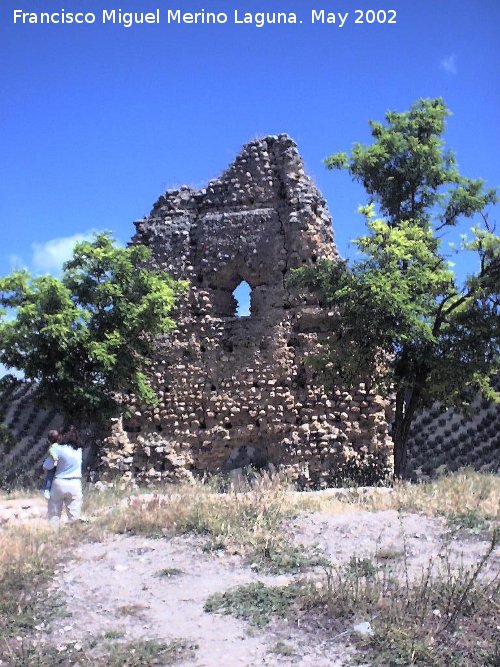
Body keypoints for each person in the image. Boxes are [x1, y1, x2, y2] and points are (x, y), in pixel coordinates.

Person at [43, 425, 83, 523]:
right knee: (74, 516)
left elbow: (47, 466)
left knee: (54, 516)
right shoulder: (79, 450)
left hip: (59, 482)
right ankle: (73, 535)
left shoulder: (58, 449)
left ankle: (54, 536)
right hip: (75, 483)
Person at [43, 429, 59, 499]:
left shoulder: (51, 447)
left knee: (49, 478)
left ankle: (47, 490)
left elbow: (52, 453)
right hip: (58, 465)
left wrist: (55, 458)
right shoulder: (59, 446)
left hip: (52, 465)